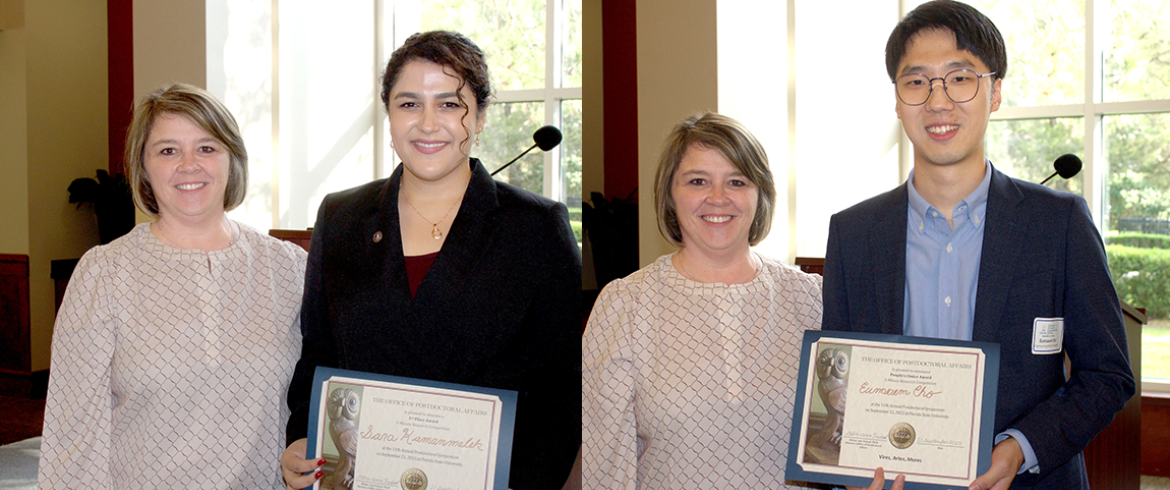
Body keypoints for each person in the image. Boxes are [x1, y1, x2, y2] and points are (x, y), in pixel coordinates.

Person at [822, 1, 1136, 489]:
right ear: (898, 100)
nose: (938, 101)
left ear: (994, 93)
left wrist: (1019, 449)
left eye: (960, 77)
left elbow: (1107, 375)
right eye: (917, 81)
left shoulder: (1059, 224)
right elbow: (838, 382)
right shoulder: (853, 233)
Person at [279, 31, 581, 490]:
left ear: (479, 117)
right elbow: (318, 354)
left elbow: (562, 390)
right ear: (389, 115)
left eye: (449, 104)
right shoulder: (340, 217)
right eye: (408, 104)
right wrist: (303, 436)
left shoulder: (536, 228)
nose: (426, 123)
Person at [581, 112, 903, 490]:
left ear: (759, 194)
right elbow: (606, 466)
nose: (718, 197)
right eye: (698, 181)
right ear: (669, 193)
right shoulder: (626, 306)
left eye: (737, 181)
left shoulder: (812, 299)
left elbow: (851, 435)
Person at [37, 83, 308, 489]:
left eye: (206, 147)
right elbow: (73, 436)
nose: (188, 165)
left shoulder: (290, 270)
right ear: (143, 167)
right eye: (167, 151)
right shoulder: (104, 276)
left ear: (232, 159)